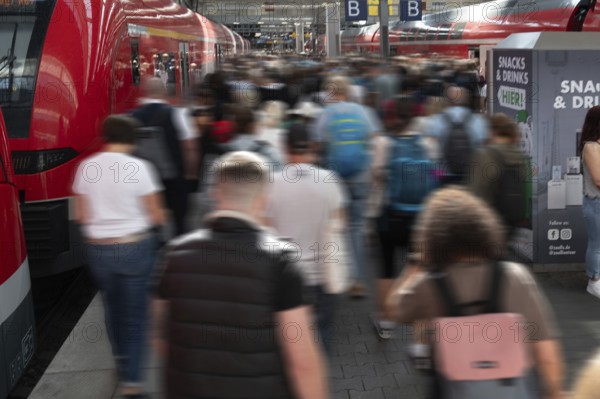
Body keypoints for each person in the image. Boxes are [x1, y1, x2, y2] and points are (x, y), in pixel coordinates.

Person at [153, 151, 329, 399]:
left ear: (216, 193)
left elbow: (161, 337)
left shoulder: (173, 255)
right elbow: (302, 361)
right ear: (263, 200)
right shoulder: (281, 261)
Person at [386, 187, 565, 399]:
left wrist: (416, 263)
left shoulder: (428, 286)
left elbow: (393, 308)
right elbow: (547, 355)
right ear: (484, 229)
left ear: (434, 237)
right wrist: (553, 392)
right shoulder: (515, 277)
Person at [73, 115, 165, 399]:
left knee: (112, 310)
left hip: (99, 251)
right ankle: (133, 384)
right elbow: (156, 215)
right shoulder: (140, 168)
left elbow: (81, 216)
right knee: (136, 316)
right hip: (134, 248)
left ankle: (123, 362)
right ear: (132, 139)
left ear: (106, 137)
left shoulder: (86, 168)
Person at [266, 123, 349, 354]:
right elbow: (340, 224)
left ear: (285, 147)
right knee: (320, 337)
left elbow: (265, 230)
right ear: (313, 147)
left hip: (286, 275)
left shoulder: (272, 182)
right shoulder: (329, 180)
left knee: (287, 341)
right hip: (323, 275)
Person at [368, 95, 437, 339]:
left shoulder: (383, 143)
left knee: (386, 269)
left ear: (393, 116)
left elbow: (375, 175)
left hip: (389, 215)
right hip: (420, 218)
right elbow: (436, 173)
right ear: (416, 116)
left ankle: (386, 323)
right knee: (418, 272)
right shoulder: (428, 144)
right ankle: (419, 340)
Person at [315, 74, 382, 297]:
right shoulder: (364, 112)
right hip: (360, 176)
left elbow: (318, 145)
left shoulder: (325, 114)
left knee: (334, 226)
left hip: (335, 180)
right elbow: (374, 140)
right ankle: (357, 280)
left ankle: (334, 275)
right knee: (356, 228)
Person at [131, 77, 199, 237]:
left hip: (145, 179)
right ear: (163, 92)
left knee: (150, 220)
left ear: (145, 92)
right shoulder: (176, 114)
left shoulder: (132, 116)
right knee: (180, 222)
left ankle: (155, 246)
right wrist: (191, 174)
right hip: (175, 177)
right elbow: (190, 147)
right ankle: (179, 250)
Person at [469, 113, 529, 242]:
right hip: (511, 222)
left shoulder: (485, 154)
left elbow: (477, 191)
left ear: (493, 130)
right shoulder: (518, 155)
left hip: (489, 222)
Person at [423, 85, 489, 184]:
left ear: (448, 101)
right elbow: (485, 149)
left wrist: (435, 177)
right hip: (471, 176)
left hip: (443, 176)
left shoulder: (435, 121)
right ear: (467, 101)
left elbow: (431, 153)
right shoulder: (479, 122)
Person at [579, 105, 600, 299]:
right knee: (597, 245)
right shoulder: (591, 147)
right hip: (596, 203)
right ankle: (594, 281)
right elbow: (598, 179)